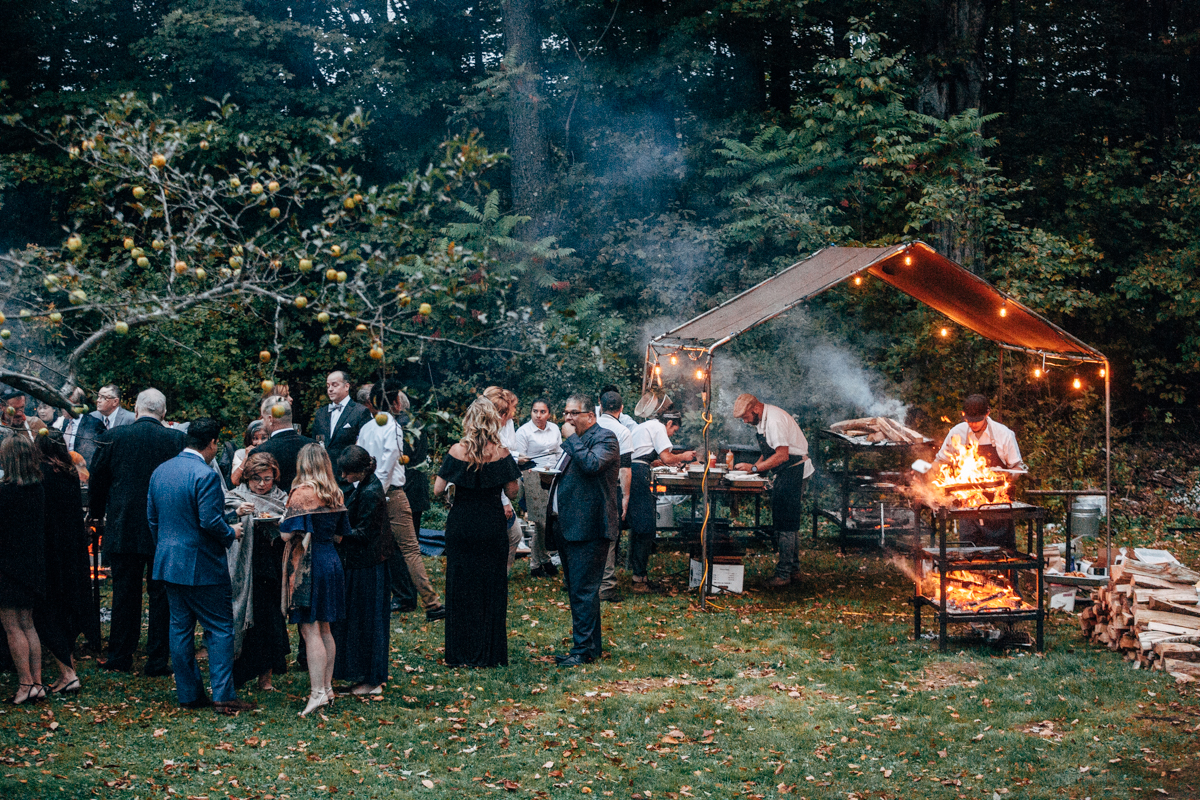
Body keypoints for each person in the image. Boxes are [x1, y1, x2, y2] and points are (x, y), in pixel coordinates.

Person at [148, 419, 255, 715]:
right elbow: (209, 521)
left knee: (179, 629)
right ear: (211, 443)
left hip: (168, 562)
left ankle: (189, 694)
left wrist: (168, 548)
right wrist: (230, 532)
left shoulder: (161, 471)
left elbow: (153, 520)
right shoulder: (205, 475)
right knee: (220, 628)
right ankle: (223, 695)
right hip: (202, 564)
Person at [88, 388, 186, 674]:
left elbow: (98, 480)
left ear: (136, 409)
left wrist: (96, 513)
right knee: (161, 595)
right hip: (164, 527)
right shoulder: (176, 440)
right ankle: (157, 659)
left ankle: (120, 655)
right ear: (164, 412)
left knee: (124, 594)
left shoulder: (113, 438)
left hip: (124, 525)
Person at [433, 397, 521, 668]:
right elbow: (513, 491)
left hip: (462, 523)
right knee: (491, 585)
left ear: (469, 421)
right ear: (493, 421)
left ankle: (460, 652)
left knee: (461, 585)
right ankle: (489, 652)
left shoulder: (457, 450)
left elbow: (437, 490)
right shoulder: (502, 453)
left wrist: (452, 492)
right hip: (491, 524)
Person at [359, 381, 445, 621]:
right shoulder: (393, 427)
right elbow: (387, 464)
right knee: (410, 549)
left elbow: (359, 461)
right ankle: (432, 604)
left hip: (369, 492)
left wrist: (365, 492)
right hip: (391, 493)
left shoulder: (366, 428)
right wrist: (379, 491)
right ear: (395, 403)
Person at [545, 395, 620, 667]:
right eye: (565, 413)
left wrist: (572, 440)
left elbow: (591, 465)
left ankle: (582, 651)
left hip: (589, 527)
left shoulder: (606, 438)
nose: (567, 419)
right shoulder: (574, 442)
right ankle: (590, 646)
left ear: (591, 415)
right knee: (579, 589)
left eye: (574, 413)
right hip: (568, 525)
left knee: (584, 590)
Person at [279, 444, 350, 717]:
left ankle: (317, 693)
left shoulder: (301, 494)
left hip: (309, 564)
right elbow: (341, 535)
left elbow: (287, 535)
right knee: (325, 628)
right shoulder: (335, 492)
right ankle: (328, 687)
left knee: (309, 630)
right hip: (331, 560)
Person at [732, 393, 815, 588]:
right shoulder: (765, 420)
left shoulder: (775, 420)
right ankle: (794, 570)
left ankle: (784, 574)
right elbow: (768, 451)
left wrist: (754, 469)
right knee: (787, 522)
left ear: (756, 410)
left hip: (794, 469)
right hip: (788, 470)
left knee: (786, 523)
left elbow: (782, 455)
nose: (745, 421)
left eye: (746, 417)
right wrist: (755, 469)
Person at [224, 452, 290, 691]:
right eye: (256, 479)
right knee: (243, 619)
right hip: (244, 566)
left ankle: (266, 679)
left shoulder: (282, 499)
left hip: (271, 566)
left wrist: (282, 523)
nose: (262, 484)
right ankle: (237, 675)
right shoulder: (234, 497)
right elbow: (222, 522)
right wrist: (239, 513)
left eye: (267, 479)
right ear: (247, 478)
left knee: (270, 620)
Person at [32, 431, 91, 696]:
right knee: (67, 603)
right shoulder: (69, 472)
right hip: (72, 550)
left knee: (49, 608)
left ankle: (67, 672)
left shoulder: (41, 475)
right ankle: (68, 662)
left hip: (50, 549)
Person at [332, 445, 393, 694]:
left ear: (359, 471)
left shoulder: (370, 492)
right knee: (363, 619)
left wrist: (340, 537)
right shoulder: (365, 486)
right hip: (364, 562)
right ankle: (364, 673)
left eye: (347, 473)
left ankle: (372, 678)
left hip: (369, 563)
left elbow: (366, 532)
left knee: (370, 621)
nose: (344, 477)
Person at [934, 394, 1026, 548]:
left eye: (977, 420)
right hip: (968, 506)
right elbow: (940, 461)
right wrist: (926, 473)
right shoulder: (957, 433)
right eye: (970, 420)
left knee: (1002, 555)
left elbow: (1017, 467)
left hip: (998, 506)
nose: (973, 424)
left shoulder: (1004, 434)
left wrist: (1007, 477)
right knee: (969, 554)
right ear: (964, 415)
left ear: (987, 413)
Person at [0, 436, 47, 704]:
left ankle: (25, 683)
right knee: (28, 623)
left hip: (8, 565)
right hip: (32, 563)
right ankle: (37, 682)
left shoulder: (5, 492)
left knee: (12, 626)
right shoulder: (37, 489)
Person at [628, 410, 696, 593]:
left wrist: (654, 462)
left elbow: (641, 454)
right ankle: (639, 579)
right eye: (674, 430)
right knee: (645, 526)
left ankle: (639, 575)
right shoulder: (658, 427)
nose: (672, 434)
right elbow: (667, 457)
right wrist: (684, 456)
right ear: (669, 424)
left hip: (633, 470)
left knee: (640, 525)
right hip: (637, 474)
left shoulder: (645, 425)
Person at [514, 398, 562, 578]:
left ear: (549, 413)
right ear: (531, 412)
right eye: (535, 411)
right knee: (540, 522)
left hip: (553, 476)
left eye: (542, 412)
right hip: (532, 476)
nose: (538, 415)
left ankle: (544, 560)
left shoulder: (555, 429)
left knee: (548, 521)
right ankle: (537, 563)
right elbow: (520, 460)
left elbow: (558, 452)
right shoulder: (524, 431)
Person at [595, 389, 633, 601]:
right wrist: (626, 496)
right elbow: (625, 468)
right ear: (621, 409)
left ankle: (583, 580)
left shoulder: (591, 425)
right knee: (609, 535)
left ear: (601, 406)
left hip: (589, 485)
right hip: (610, 487)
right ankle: (606, 585)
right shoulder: (622, 431)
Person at [483, 386, 525, 571]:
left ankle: (499, 575)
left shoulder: (507, 424)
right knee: (512, 535)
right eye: (513, 407)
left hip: (506, 483)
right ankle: (497, 575)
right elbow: (493, 469)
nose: (515, 411)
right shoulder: (489, 433)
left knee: (512, 536)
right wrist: (504, 501)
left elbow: (508, 451)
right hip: (495, 493)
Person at [311, 371, 372, 468]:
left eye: (334, 385)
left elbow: (365, 445)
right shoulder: (321, 413)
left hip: (348, 472)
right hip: (323, 472)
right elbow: (314, 442)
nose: (330, 389)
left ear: (346, 386)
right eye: (328, 386)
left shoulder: (360, 412)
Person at [256, 396, 316, 493]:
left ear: (270, 419)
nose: (263, 423)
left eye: (263, 418)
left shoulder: (259, 452)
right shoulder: (314, 446)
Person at [55, 389, 106, 467]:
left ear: (77, 404)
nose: (62, 408)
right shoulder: (66, 422)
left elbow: (98, 454)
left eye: (66, 404)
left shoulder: (93, 424)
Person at [230, 420, 269, 486]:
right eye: (255, 438)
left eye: (264, 438)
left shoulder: (272, 453)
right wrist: (246, 458)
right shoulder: (241, 454)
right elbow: (235, 481)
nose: (259, 442)